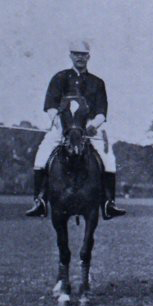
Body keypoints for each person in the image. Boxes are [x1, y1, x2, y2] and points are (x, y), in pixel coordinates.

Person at [26, 40, 126, 219]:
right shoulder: (59, 78)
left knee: (109, 159)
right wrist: (59, 124)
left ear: (89, 56)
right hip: (63, 126)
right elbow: (51, 106)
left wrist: (92, 125)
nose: (80, 57)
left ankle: (109, 203)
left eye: (83, 54)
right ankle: (39, 201)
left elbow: (102, 112)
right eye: (76, 53)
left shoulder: (97, 82)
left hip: (89, 128)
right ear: (70, 55)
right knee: (41, 157)